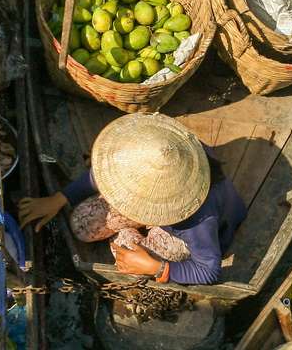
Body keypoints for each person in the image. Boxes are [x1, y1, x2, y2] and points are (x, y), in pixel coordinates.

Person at [17, 113, 245, 285]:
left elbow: (209, 270)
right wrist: (59, 198)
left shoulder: (198, 219)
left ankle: (144, 243)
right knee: (82, 225)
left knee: (127, 252)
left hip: (183, 234)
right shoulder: (160, 147)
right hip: (162, 204)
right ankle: (138, 234)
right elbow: (107, 173)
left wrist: (158, 268)